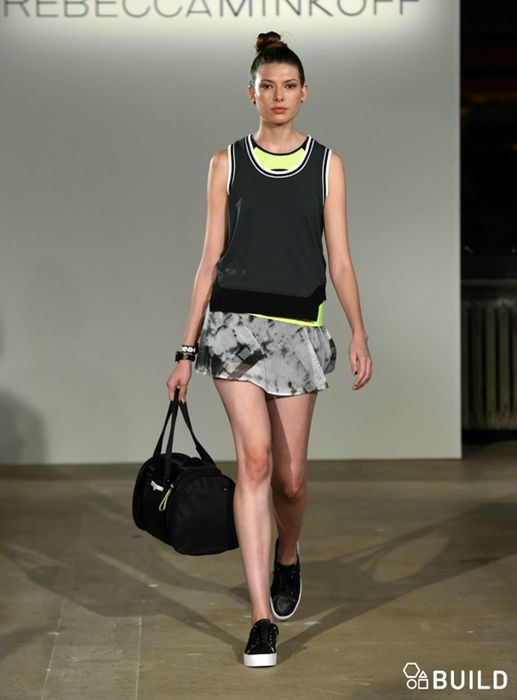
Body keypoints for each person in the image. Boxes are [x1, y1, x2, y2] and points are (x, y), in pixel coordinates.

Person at [166, 31, 372, 668]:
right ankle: (261, 620)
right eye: (267, 86)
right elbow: (208, 259)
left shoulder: (327, 164)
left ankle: (288, 553)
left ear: (304, 93)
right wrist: (185, 349)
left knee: (290, 479)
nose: (277, 96)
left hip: (300, 332)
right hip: (233, 329)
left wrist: (359, 330)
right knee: (253, 462)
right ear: (250, 93)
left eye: (288, 87)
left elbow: (339, 259)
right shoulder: (225, 163)